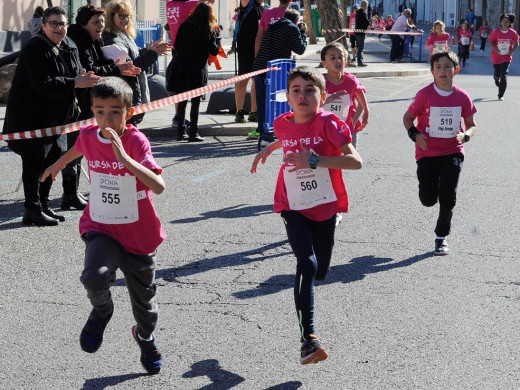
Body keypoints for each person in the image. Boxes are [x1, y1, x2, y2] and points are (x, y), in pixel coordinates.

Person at [41, 77, 166, 374]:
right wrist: (57, 165)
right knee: (93, 277)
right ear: (92, 111)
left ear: (129, 112)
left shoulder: (136, 141)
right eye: (99, 111)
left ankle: (145, 337)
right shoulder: (88, 134)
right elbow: (78, 149)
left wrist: (124, 157)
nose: (106, 119)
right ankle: (102, 312)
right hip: (101, 226)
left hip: (138, 234)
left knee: (146, 309)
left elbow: (158, 186)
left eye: (114, 112)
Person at [250, 66, 362, 364]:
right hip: (291, 204)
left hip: (325, 204)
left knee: (321, 270)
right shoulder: (281, 123)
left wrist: (314, 160)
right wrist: (271, 147)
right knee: (306, 263)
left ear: (322, 97)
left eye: (309, 90)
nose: (302, 95)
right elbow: (289, 135)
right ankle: (308, 339)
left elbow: (355, 162)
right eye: (296, 90)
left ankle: (308, 330)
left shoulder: (331, 124)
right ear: (287, 97)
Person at [2, 6, 100, 226]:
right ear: (43, 25)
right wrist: (75, 82)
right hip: (31, 119)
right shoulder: (35, 47)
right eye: (53, 23)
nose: (59, 28)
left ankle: (44, 205)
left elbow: (76, 74)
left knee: (53, 160)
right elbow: (42, 85)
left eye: (62, 24)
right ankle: (32, 210)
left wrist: (85, 79)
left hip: (57, 120)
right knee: (33, 164)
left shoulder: (68, 44)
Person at [66, 4, 141, 211]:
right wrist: (116, 68)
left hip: (91, 101)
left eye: (101, 21)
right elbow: (90, 70)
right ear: (83, 24)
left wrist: (119, 68)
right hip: (78, 103)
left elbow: (99, 64)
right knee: (76, 146)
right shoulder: (78, 41)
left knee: (82, 147)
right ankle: (69, 194)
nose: (100, 25)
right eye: (95, 22)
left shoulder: (93, 39)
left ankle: (72, 193)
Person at [403, 50, 477, 255]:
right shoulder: (424, 94)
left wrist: (466, 136)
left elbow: (472, 125)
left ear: (456, 70)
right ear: (432, 72)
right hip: (427, 153)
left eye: (447, 67)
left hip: (453, 151)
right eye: (438, 67)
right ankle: (431, 187)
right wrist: (415, 134)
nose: (443, 70)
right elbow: (407, 118)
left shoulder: (462, 96)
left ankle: (441, 237)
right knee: (428, 200)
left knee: (448, 195)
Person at [102, 0, 171, 126]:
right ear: (111, 17)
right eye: (121, 16)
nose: (125, 20)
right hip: (123, 98)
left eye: (128, 16)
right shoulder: (112, 39)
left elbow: (133, 56)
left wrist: (148, 51)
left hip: (130, 96)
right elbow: (131, 68)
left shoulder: (122, 34)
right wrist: (151, 54)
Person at [252, 9, 307, 150]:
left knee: (263, 101)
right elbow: (300, 49)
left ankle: (264, 133)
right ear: (296, 20)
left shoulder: (274, 25)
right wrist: (303, 32)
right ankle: (275, 133)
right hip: (276, 71)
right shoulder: (292, 28)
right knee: (278, 100)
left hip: (260, 66)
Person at [167, 1, 221, 142]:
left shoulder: (185, 25)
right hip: (198, 70)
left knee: (182, 101)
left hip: (182, 68)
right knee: (195, 103)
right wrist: (218, 37)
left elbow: (177, 45)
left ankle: (180, 132)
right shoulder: (207, 29)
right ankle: (193, 133)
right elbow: (214, 50)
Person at [247, 0, 292, 139]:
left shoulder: (267, 13)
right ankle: (281, 128)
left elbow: (259, 36)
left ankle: (262, 129)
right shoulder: (290, 15)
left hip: (265, 61)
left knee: (263, 96)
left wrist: (257, 57)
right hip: (283, 63)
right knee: (283, 95)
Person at [320, 42, 369, 149]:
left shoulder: (351, 81)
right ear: (324, 63)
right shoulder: (319, 83)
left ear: (345, 61)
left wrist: (358, 118)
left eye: (341, 57)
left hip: (348, 129)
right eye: (332, 58)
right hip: (324, 129)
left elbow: (361, 101)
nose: (338, 60)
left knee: (350, 160)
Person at [234, 0, 264, 123]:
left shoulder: (263, 9)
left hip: (260, 50)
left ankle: (254, 112)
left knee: (257, 81)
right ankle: (239, 112)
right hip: (245, 49)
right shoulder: (248, 4)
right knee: (242, 80)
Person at [488, 14, 519, 101]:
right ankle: (496, 77)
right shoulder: (495, 32)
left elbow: (517, 43)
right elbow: (490, 42)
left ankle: (500, 95)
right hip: (496, 56)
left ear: (510, 23)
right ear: (501, 22)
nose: (505, 23)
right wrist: (495, 49)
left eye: (507, 22)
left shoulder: (513, 33)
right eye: (503, 21)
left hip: (506, 56)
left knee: (504, 74)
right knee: (497, 74)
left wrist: (511, 51)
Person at [355, 1, 370, 66]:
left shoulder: (358, 12)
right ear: (366, 5)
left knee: (358, 46)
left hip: (357, 31)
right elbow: (366, 22)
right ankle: (359, 61)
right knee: (361, 47)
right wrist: (370, 22)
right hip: (361, 32)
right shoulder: (363, 13)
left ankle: (359, 59)